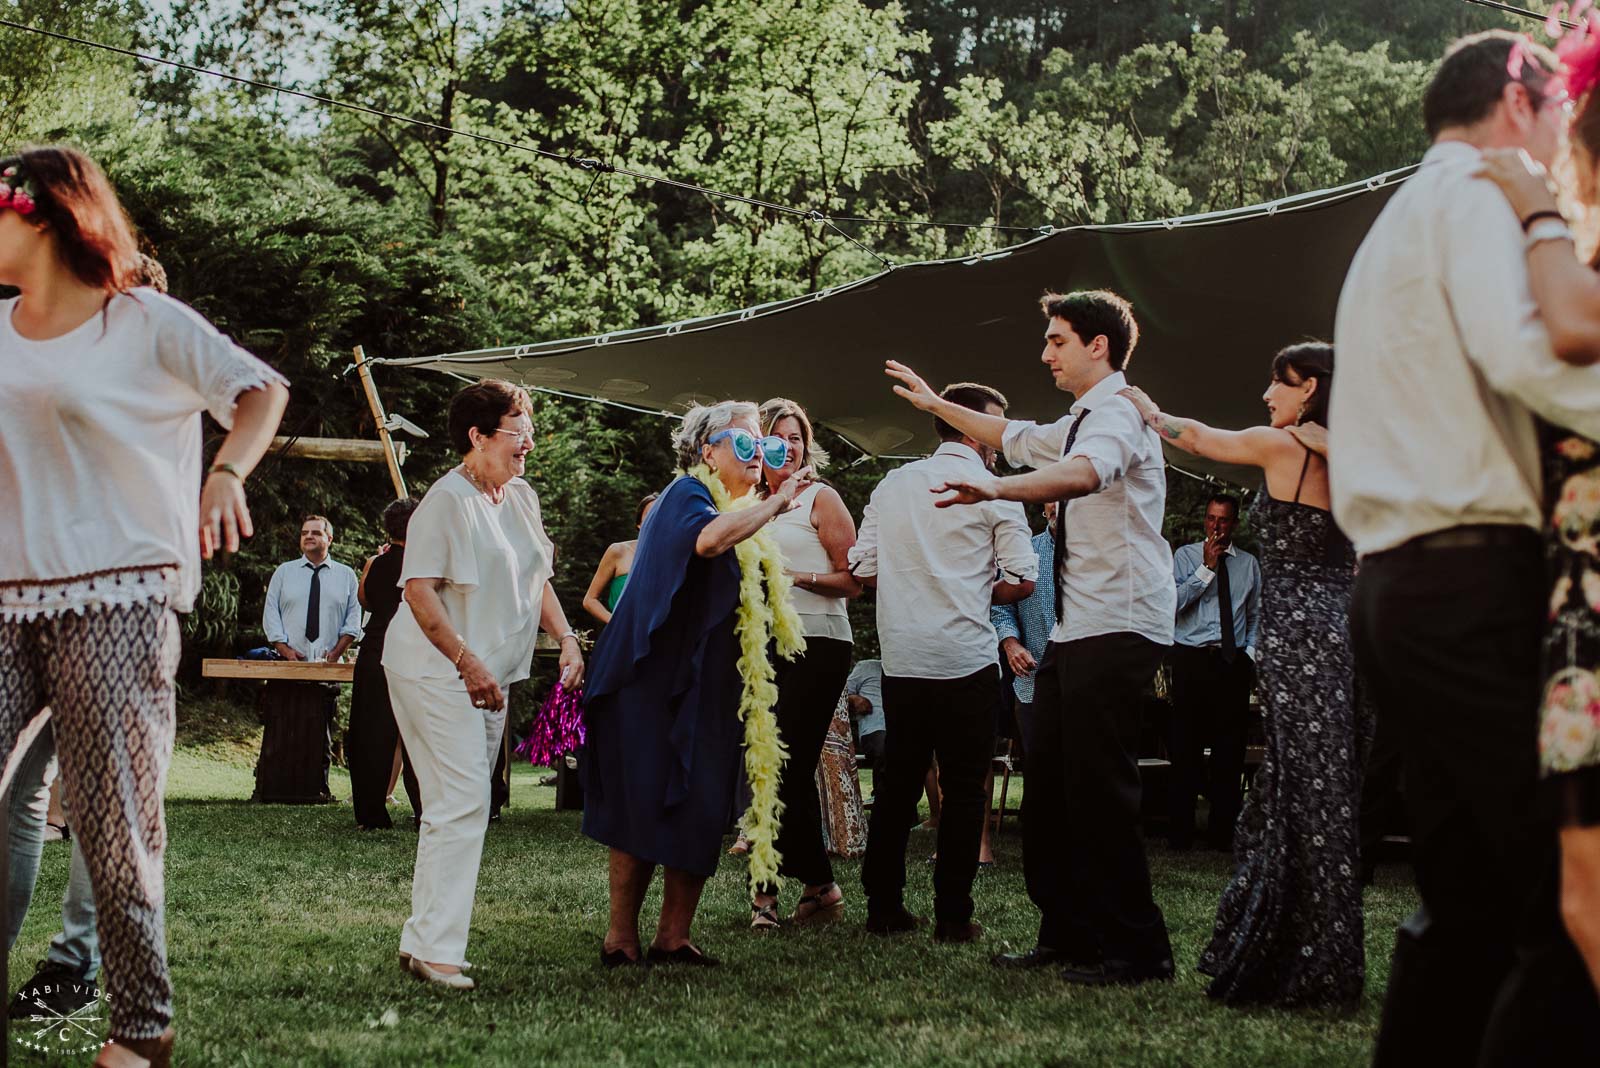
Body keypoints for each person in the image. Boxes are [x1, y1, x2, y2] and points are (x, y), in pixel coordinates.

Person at [1332, 30, 1600, 1063]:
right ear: (1520, 93)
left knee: (1464, 904)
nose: (1562, 133)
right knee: (1558, 896)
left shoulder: (1402, 214)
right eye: (1556, 109)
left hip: (1399, 589)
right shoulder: (1476, 197)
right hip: (1470, 585)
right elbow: (1526, 353)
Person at [0, 144, 288, 1065]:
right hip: (7, 604)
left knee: (111, 819)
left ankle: (139, 1029)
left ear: (41, 213)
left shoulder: (144, 322)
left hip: (118, 601)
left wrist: (225, 471)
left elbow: (260, 390)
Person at [885, 289, 1176, 984]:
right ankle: (1068, 933)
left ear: (1097, 346)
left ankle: (1138, 950)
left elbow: (1081, 476)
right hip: (1079, 628)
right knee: (1048, 785)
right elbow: (1008, 437)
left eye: (1057, 340)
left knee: (1101, 789)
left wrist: (995, 492)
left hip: (1122, 621)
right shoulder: (1079, 418)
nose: (1045, 352)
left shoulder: (1117, 415)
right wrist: (934, 406)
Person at [1122, 343, 1371, 1008]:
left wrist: (1140, 403)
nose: (1268, 395)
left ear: (1311, 387)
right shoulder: (1360, 454)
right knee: (1318, 788)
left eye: (1280, 383)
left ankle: (1305, 963)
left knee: (1300, 789)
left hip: (1297, 630)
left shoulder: (1286, 446)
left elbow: (1197, 437)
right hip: (1343, 626)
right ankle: (1317, 956)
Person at [582, 402, 813, 967]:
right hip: (650, 683)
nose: (760, 455)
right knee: (642, 802)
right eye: (745, 443)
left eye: (769, 447)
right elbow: (708, 544)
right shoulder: (687, 494)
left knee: (701, 805)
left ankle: (673, 936)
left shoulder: (737, 510)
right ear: (707, 451)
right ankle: (620, 938)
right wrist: (781, 498)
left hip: (707, 687)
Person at [6, 250, 174, 1023]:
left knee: (100, 805)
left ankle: (76, 966)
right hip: (28, 608)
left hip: (117, 611)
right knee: (25, 796)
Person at [381, 380, 585, 990]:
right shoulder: (445, 501)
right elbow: (418, 590)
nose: (528, 446)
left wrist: (568, 638)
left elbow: (536, 579)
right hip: (436, 670)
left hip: (490, 677)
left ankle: (423, 941)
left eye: (528, 433)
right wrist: (467, 662)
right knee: (463, 801)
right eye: (517, 434)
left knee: (458, 804)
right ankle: (437, 950)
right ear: (478, 436)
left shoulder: (520, 496)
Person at [1477, 30, 1600, 1003]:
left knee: (1588, 898)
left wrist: (1531, 206)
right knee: (1579, 897)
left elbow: (1562, 333)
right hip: (1573, 610)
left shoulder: (1564, 256)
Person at [849, 382, 1037, 945]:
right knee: (964, 791)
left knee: (897, 784)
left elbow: (862, 567)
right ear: (969, 428)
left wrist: (914, 587)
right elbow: (1023, 579)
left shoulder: (892, 485)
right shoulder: (997, 491)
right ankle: (953, 915)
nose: (998, 438)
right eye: (994, 426)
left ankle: (883, 907)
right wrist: (970, 592)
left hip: (904, 662)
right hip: (966, 661)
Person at [748, 397, 861, 930]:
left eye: (796, 438)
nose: (788, 447)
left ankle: (803, 885)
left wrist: (796, 578)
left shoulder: (822, 498)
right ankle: (790, 892)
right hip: (757, 646)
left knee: (786, 768)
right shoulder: (746, 504)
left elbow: (857, 580)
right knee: (759, 768)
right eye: (778, 437)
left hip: (819, 642)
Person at [1165, 494, 1262, 853]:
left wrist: (1248, 655)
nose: (1215, 527)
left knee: (1229, 751)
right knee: (1185, 748)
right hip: (1191, 659)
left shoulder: (1249, 565)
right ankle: (1180, 835)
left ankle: (1222, 835)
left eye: (1223, 520)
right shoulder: (1184, 557)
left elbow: (1255, 616)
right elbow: (1171, 605)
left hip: (1231, 662)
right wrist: (1205, 570)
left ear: (1234, 524)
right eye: (1210, 519)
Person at [256, 515, 362, 803]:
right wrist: (284, 649)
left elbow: (354, 618)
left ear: (330, 539)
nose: (308, 537)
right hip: (287, 665)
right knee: (282, 722)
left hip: (327, 667)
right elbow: (271, 614)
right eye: (304, 533)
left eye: (316, 533)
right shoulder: (284, 572)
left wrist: (338, 651)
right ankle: (274, 788)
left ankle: (317, 788)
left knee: (320, 728)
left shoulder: (346, 576)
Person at [347, 497, 423, 831]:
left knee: (370, 731)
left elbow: (365, 599)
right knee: (420, 733)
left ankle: (371, 814)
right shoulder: (424, 563)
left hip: (375, 648)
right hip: (414, 649)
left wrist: (376, 561)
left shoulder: (373, 563)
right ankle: (426, 811)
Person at [991, 501, 1058, 755]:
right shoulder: (1027, 552)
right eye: (1051, 496)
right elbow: (1000, 608)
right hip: (1033, 684)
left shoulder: (1098, 554)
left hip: (1088, 686)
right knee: (1040, 776)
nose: (1057, 504)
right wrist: (1011, 643)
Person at [581, 492, 658, 624]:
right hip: (624, 638)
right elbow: (590, 600)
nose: (656, 520)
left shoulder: (677, 556)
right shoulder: (619, 551)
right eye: (650, 515)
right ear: (639, 523)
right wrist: (616, 625)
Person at [843, 658, 886, 776]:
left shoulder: (907, 672)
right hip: (875, 729)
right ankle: (879, 794)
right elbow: (841, 694)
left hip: (902, 727)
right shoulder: (866, 666)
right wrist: (854, 699)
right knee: (885, 748)